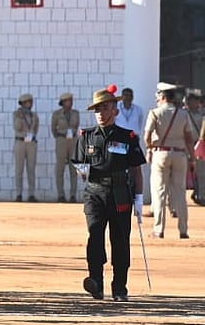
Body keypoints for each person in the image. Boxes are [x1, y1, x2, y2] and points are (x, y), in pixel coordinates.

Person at [71, 85, 145, 301]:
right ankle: (96, 281)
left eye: (105, 109)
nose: (100, 114)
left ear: (115, 110)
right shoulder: (86, 136)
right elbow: (78, 162)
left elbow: (136, 169)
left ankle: (120, 287)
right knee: (94, 236)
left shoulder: (127, 137)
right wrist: (82, 171)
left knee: (120, 240)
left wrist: (139, 198)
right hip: (94, 192)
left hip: (120, 193)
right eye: (97, 110)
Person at [143, 82, 193, 240]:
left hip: (161, 153)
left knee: (159, 193)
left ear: (162, 97)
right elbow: (189, 138)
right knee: (180, 193)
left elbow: (147, 136)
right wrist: (191, 157)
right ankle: (183, 230)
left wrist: (151, 148)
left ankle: (159, 229)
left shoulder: (155, 113)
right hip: (180, 154)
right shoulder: (183, 114)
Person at [51, 92, 80, 203]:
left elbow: (76, 125)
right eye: (68, 100)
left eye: (71, 100)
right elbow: (53, 128)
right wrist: (60, 136)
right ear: (63, 102)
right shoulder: (57, 114)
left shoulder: (75, 113)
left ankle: (73, 195)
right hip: (62, 140)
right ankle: (61, 195)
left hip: (72, 140)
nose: (70, 103)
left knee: (73, 168)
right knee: (60, 169)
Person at [13, 93, 39, 202]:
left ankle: (31, 194)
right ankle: (19, 194)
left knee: (31, 169)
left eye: (31, 102)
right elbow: (17, 127)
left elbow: (36, 129)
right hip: (20, 142)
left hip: (31, 143)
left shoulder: (34, 115)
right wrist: (20, 117)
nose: (31, 104)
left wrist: (31, 136)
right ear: (23, 103)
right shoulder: (17, 114)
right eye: (28, 102)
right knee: (19, 169)